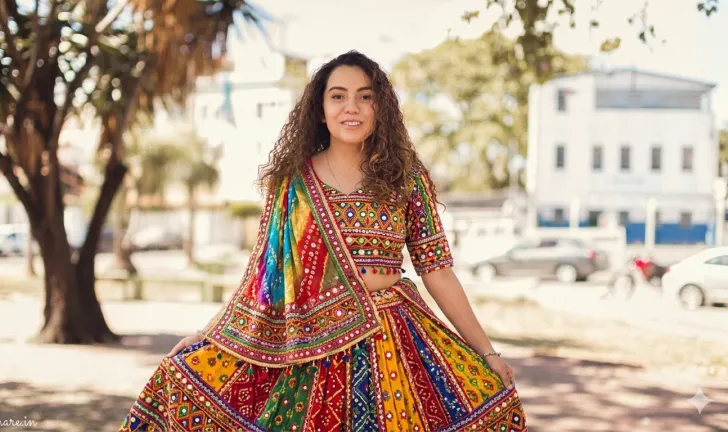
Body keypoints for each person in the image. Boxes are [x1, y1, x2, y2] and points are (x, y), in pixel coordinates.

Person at [119, 50, 527, 432]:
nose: (351, 107)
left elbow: (437, 270)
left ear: (379, 108)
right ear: (321, 109)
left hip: (396, 340)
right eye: (338, 96)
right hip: (309, 345)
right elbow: (265, 273)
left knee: (489, 406)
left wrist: (488, 353)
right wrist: (208, 334)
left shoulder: (407, 178)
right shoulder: (292, 184)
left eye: (365, 97)